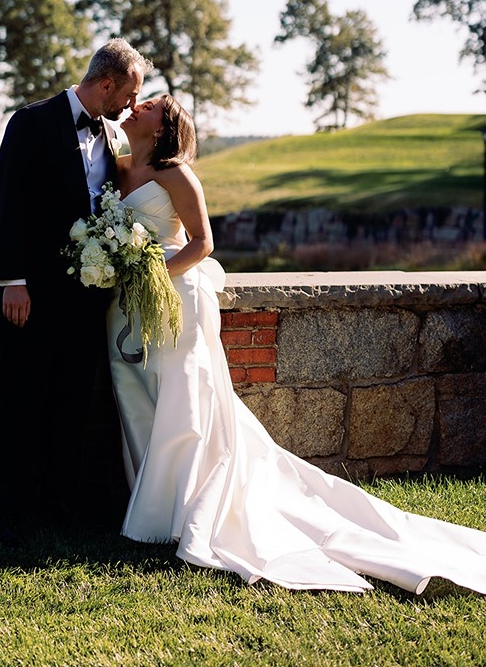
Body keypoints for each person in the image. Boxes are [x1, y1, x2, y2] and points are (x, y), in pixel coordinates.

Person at [107, 93, 486, 593]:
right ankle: (149, 503)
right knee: (137, 395)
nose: (139, 105)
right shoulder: (114, 166)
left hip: (175, 296)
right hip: (124, 304)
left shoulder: (177, 173)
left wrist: (150, 274)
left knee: (184, 399)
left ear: (164, 127)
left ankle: (182, 513)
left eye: (151, 105)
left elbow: (203, 243)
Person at [0, 38, 152, 541]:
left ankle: (61, 504)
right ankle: (13, 511)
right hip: (34, 294)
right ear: (107, 83)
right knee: (23, 397)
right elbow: (8, 202)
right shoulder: (29, 122)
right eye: (127, 95)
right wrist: (13, 281)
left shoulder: (109, 134)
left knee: (73, 398)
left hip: (87, 298)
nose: (130, 106)